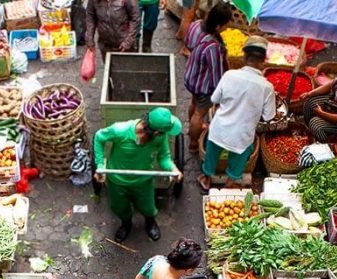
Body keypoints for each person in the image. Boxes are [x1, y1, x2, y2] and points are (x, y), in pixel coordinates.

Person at [198, 35, 276, 192]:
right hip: (243, 134)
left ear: (245, 56)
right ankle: (231, 182)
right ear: (263, 60)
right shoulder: (267, 87)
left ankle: (206, 177)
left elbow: (215, 98)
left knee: (213, 151)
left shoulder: (229, 75)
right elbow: (269, 117)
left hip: (220, 128)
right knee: (239, 157)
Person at [93, 107, 183, 242]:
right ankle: (126, 224)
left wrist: (173, 169)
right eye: (162, 133)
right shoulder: (120, 130)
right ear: (156, 132)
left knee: (148, 206)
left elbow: (164, 157)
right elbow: (99, 137)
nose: (164, 135)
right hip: (117, 182)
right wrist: (100, 165)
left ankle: (150, 222)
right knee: (120, 207)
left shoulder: (160, 137)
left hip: (143, 182)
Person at [183, 3, 232, 153]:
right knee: (200, 112)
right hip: (203, 84)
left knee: (194, 102)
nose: (225, 29)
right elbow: (216, 74)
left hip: (192, 75)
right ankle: (193, 143)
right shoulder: (213, 47)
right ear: (218, 26)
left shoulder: (196, 24)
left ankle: (190, 129)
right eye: (225, 26)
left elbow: (188, 44)